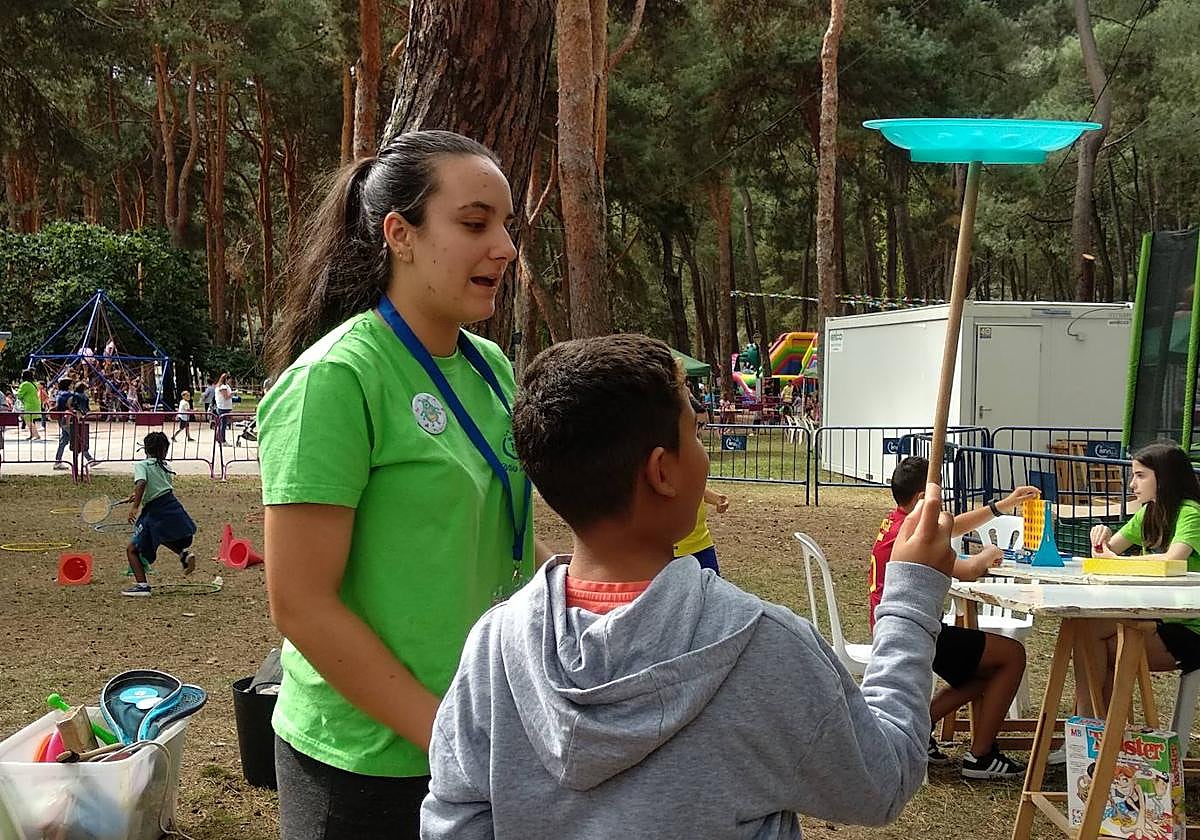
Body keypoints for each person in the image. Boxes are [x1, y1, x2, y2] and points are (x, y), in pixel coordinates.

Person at [421, 333, 957, 839]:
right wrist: (910, 596)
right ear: (662, 472)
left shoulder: (493, 647)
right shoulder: (761, 646)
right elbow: (882, 781)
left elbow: (454, 815)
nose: (703, 452)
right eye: (696, 433)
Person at [258, 130, 547, 839]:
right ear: (400, 234)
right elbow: (301, 604)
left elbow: (497, 540)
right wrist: (445, 733)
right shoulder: (336, 380)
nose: (505, 248)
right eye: (476, 224)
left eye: (507, 226)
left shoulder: (490, 368)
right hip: (368, 766)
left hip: (481, 740)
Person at [869, 456, 1038, 779]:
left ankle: (921, 726)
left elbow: (955, 524)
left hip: (897, 624)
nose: (944, 505)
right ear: (924, 500)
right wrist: (990, 552)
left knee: (984, 671)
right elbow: (971, 571)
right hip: (912, 630)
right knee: (1011, 656)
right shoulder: (912, 540)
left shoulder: (899, 523)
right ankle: (981, 756)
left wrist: (1002, 505)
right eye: (940, 496)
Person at [1077, 441, 1200, 711]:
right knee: (1087, 633)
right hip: (1155, 614)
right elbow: (1107, 554)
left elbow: (1172, 559)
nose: (1132, 484)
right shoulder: (1149, 512)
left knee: (1093, 647)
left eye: (1140, 475)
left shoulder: (1190, 512)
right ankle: (1094, 734)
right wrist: (1101, 538)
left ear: (1165, 478)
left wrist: (1116, 559)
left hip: (1189, 625)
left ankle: (1090, 732)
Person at [121, 432, 197, 597]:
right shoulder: (166, 466)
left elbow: (142, 483)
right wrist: (135, 495)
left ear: (145, 449)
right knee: (160, 535)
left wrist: (135, 507)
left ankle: (142, 586)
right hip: (170, 505)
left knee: (132, 549)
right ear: (165, 450)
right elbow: (160, 488)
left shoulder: (142, 465)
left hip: (155, 510)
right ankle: (183, 554)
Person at [672, 397, 728, 573]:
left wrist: (716, 499)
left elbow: (693, 486)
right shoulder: (667, 455)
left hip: (702, 542)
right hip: (674, 549)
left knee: (713, 593)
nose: (700, 433)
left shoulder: (694, 446)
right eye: (697, 426)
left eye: (702, 427)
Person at [51, 379, 74, 469]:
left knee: (63, 441)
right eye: (72, 384)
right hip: (68, 419)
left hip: (61, 419)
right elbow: (70, 405)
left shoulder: (59, 394)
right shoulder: (69, 395)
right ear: (68, 385)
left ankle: (58, 461)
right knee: (77, 438)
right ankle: (89, 459)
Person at [16, 370, 41, 441]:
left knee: (27, 419)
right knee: (31, 420)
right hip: (35, 403)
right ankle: (32, 435)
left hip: (29, 403)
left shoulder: (25, 384)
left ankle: (36, 435)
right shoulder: (35, 383)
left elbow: (19, 394)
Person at [213, 372, 233, 443]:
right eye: (229, 379)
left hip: (223, 407)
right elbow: (226, 397)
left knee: (221, 424)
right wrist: (232, 394)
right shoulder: (223, 387)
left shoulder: (223, 386)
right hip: (223, 408)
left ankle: (218, 438)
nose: (230, 381)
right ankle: (222, 440)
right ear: (226, 379)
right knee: (223, 425)